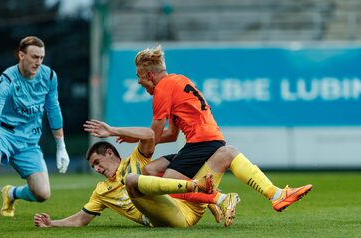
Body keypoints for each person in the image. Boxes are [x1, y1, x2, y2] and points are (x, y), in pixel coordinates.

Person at [134, 45, 312, 224]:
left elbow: (154, 132)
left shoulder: (162, 88)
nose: (139, 83)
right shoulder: (178, 81)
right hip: (208, 139)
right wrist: (139, 137)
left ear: (150, 75)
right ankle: (276, 194)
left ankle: (217, 199)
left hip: (200, 142)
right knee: (151, 170)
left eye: (140, 78)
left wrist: (141, 144)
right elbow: (172, 134)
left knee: (169, 185)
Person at [34, 120, 231, 228]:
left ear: (110, 153)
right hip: (160, 218)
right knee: (135, 180)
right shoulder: (102, 191)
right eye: (93, 167)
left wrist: (112, 131)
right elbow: (80, 220)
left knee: (223, 153)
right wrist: (52, 224)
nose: (96, 169)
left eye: (97, 162)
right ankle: (209, 195)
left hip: (181, 207)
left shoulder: (136, 160)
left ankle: (209, 196)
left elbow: (150, 134)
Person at [0, 36, 70, 217]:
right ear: (21, 55)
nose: (38, 62)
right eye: (34, 57)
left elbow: (53, 110)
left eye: (41, 58)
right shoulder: (7, 79)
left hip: (29, 141)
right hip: (3, 134)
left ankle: (11, 193)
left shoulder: (49, 76)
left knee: (42, 194)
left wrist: (61, 146)